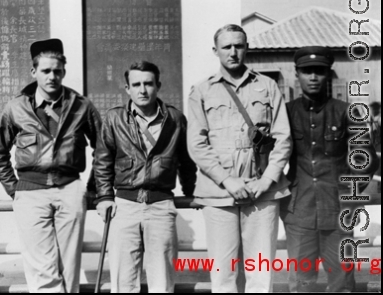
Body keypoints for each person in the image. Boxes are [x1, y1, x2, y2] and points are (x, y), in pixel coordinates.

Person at [187, 24, 292, 292]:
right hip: (219, 194)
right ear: (216, 51)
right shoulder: (202, 91)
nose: (233, 52)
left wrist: (267, 180)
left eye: (239, 45)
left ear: (246, 48)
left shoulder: (267, 87)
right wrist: (228, 180)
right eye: (226, 47)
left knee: (260, 273)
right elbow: (197, 144)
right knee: (224, 275)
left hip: (262, 192)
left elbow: (283, 138)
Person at [0, 38, 102, 293]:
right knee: (41, 268)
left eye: (57, 71)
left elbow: (103, 148)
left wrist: (93, 187)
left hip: (70, 189)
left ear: (64, 71)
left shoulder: (81, 105)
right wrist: (14, 188)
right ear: (34, 72)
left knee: (69, 267)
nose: (52, 76)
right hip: (31, 192)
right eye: (45, 71)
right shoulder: (16, 107)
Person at [280, 46, 380, 292]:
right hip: (299, 212)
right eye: (306, 72)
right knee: (302, 284)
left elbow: (366, 160)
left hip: (338, 212)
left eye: (319, 72)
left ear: (328, 75)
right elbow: (270, 158)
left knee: (341, 283)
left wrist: (347, 194)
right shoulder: (286, 113)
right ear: (297, 74)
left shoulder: (347, 112)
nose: (313, 77)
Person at [94, 61, 197, 292]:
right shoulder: (114, 118)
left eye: (148, 84)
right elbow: (102, 161)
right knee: (123, 281)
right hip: (124, 206)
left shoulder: (175, 119)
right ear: (127, 88)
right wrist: (103, 197)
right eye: (136, 84)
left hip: (161, 205)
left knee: (162, 280)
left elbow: (187, 161)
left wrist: (192, 192)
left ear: (158, 86)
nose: (142, 90)